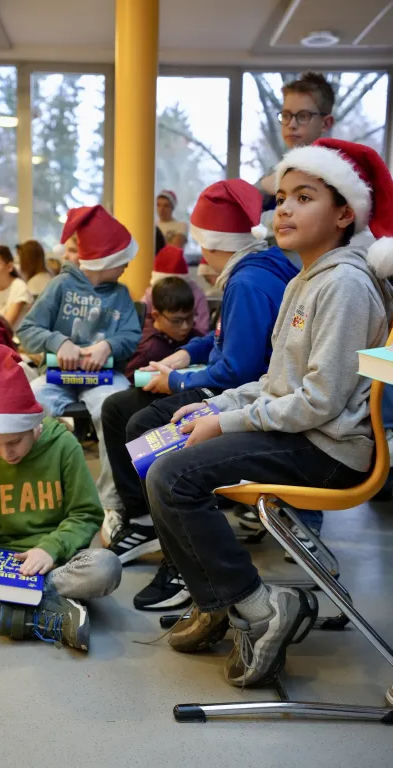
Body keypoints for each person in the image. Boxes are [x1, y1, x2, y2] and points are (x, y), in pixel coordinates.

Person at [133, 138, 393, 687]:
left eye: (305, 196)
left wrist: (222, 423)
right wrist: (215, 405)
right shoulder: (305, 279)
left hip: (328, 450)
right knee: (167, 454)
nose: (285, 210)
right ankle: (219, 601)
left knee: (174, 475)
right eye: (281, 198)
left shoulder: (344, 284)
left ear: (345, 213)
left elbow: (319, 402)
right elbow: (275, 383)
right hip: (304, 433)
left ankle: (258, 607)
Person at [102, 179, 298, 608]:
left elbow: (238, 370)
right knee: (117, 409)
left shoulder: (248, 283)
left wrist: (174, 383)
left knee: (143, 422)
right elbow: (220, 339)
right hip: (240, 387)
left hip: (247, 395)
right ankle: (144, 519)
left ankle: (179, 558)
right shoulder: (249, 271)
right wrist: (180, 358)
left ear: (210, 243)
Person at [0, 344, 121, 649]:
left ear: (35, 426)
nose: (5, 454)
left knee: (106, 567)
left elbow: (86, 514)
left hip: (55, 562)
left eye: (15, 441)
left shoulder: (64, 446)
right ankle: (45, 615)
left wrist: (50, 548)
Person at [17, 204, 141, 511]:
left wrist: (108, 346)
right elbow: (27, 330)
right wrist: (58, 342)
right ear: (102, 260)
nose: (126, 266)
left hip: (104, 377)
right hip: (58, 377)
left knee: (117, 408)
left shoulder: (121, 294)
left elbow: (131, 336)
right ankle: (39, 494)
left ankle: (112, 502)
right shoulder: (60, 286)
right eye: (122, 260)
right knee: (29, 404)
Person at [101, 275, 202, 544]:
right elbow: (135, 377)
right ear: (157, 315)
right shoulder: (149, 345)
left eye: (190, 318)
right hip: (157, 397)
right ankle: (138, 513)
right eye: (177, 320)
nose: (185, 327)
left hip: (193, 397)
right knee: (121, 412)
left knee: (131, 418)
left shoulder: (196, 338)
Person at [256, 72, 335, 210]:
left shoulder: (334, 175)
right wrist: (262, 187)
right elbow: (238, 211)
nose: (291, 124)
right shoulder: (275, 171)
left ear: (326, 123)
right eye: (286, 115)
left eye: (303, 116)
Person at [141, 244, 210, 335]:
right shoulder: (150, 294)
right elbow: (141, 322)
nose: (184, 326)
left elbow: (202, 327)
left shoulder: (196, 293)